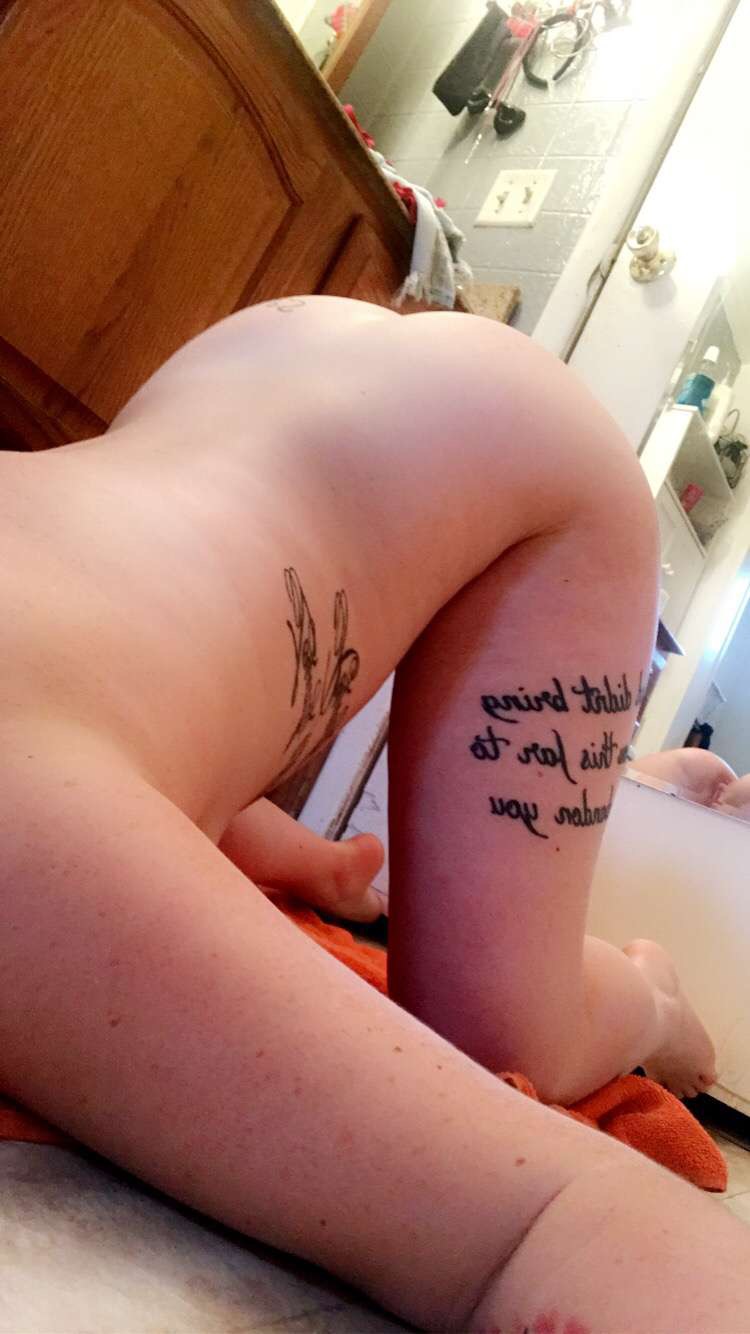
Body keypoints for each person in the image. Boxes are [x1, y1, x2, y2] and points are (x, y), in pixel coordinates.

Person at [0, 296, 748, 1334]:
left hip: (392, 404)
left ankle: (648, 990)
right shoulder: (45, 821)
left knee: (510, 1050)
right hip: (274, 357)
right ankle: (339, 868)